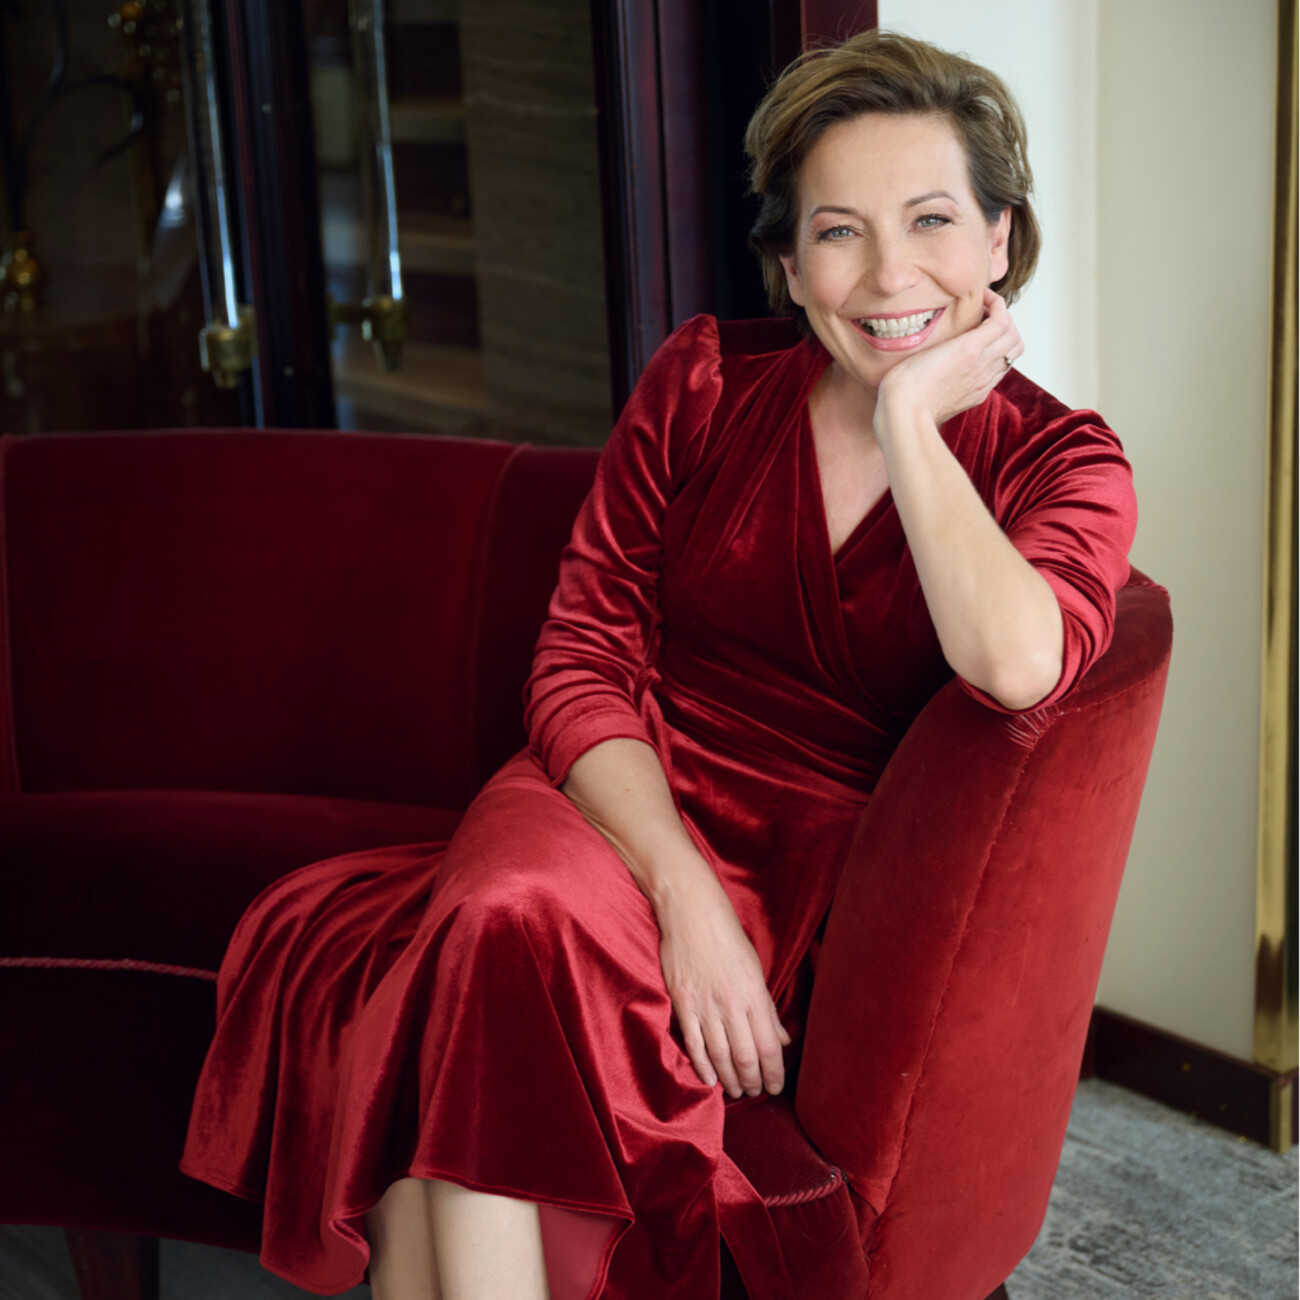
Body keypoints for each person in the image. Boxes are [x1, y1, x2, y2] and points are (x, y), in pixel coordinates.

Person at [181, 28, 1136, 1300]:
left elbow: (1015, 663)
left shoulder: (1066, 464)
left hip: (799, 871)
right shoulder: (704, 384)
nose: (887, 272)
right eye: (838, 232)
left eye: (931, 221)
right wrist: (681, 894)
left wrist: (909, 414)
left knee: (442, 1039)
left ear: (999, 241)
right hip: (605, 795)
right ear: (789, 265)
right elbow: (579, 655)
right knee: (505, 916)